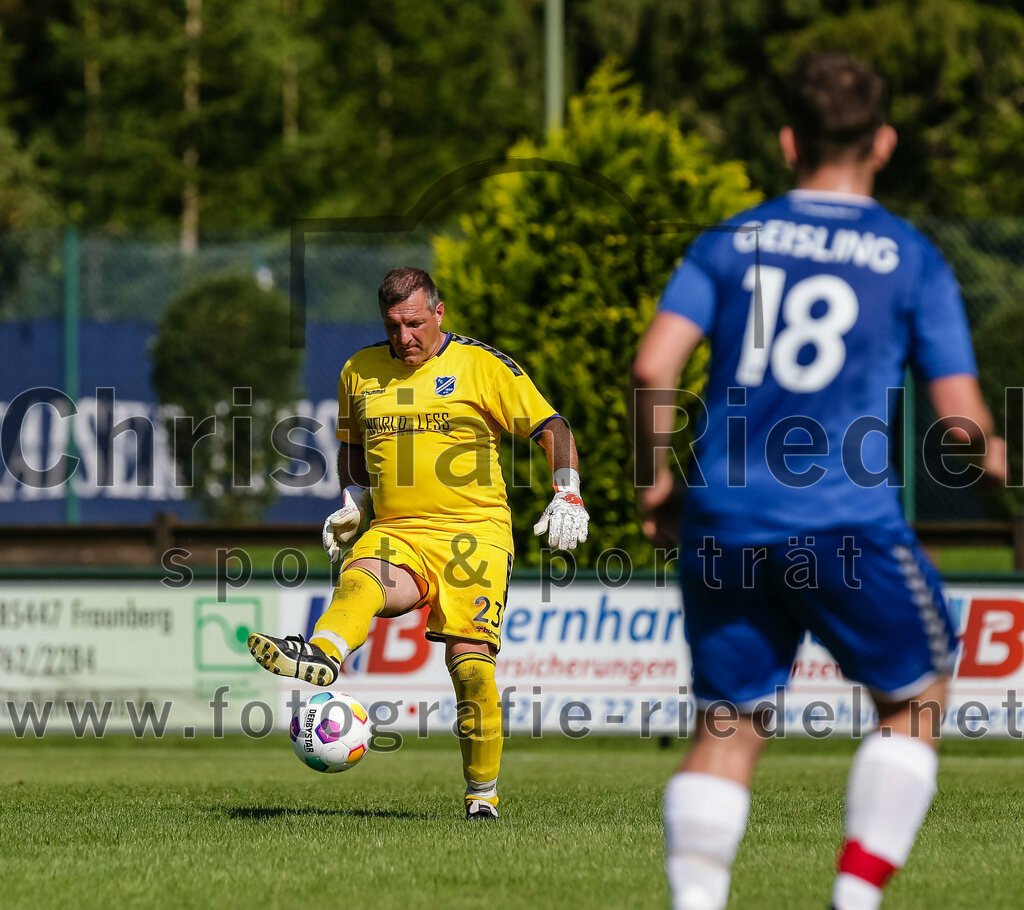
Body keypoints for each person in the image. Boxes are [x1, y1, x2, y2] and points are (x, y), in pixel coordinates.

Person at [631, 54, 1006, 910]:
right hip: (844, 522)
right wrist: (993, 452)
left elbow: (654, 367)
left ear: (788, 141)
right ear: (884, 143)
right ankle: (856, 897)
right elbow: (959, 425)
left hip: (723, 518)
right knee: (917, 698)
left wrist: (656, 479)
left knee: (729, 726)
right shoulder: (911, 259)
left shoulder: (729, 241)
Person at [248, 266, 589, 820]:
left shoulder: (482, 365)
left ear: (438, 313)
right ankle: (323, 655)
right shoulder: (359, 370)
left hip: (474, 534)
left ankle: (482, 797)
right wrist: (354, 500)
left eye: (413, 324)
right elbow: (352, 445)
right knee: (362, 576)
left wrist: (567, 492)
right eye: (392, 326)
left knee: (471, 665)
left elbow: (552, 427)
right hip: (399, 530)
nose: (404, 338)